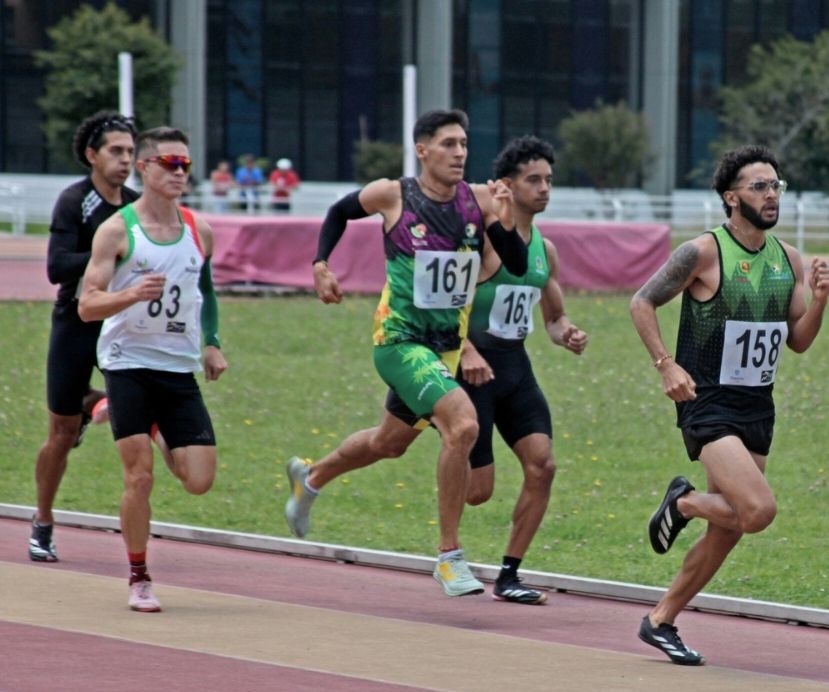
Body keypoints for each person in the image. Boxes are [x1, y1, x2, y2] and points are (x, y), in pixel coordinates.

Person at [283, 109, 530, 598]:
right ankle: (449, 557)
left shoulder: (478, 201)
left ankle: (310, 479)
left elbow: (517, 267)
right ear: (422, 150)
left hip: (445, 349)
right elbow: (337, 212)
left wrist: (504, 219)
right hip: (398, 342)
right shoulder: (392, 194)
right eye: (448, 144)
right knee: (463, 425)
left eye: (463, 144)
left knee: (388, 443)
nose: (460, 153)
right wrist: (320, 265)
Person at [630, 145, 829, 665]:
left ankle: (661, 620)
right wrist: (665, 365)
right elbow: (642, 301)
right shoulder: (703, 253)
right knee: (757, 510)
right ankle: (682, 502)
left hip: (757, 406)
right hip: (708, 402)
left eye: (776, 187)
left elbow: (799, 341)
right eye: (760, 187)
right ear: (730, 197)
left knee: (730, 530)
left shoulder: (787, 259)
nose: (772, 196)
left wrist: (821, 300)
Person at [79, 126, 228, 612]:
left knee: (199, 479)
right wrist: (130, 294)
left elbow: (205, 294)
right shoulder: (118, 230)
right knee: (139, 477)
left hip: (177, 368)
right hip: (127, 363)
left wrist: (212, 344)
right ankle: (139, 576)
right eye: (170, 163)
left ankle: (158, 428)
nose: (181, 172)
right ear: (144, 168)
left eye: (186, 163)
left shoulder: (198, 229)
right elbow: (87, 305)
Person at [458, 136, 587, 605]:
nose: (544, 188)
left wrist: (567, 333)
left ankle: (509, 574)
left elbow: (552, 318)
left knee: (543, 464)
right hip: (471, 370)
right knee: (477, 493)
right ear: (506, 187)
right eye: (534, 179)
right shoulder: (483, 243)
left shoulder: (545, 252)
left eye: (549, 180)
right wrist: (466, 350)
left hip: (515, 367)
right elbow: (448, 308)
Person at [29, 111, 139, 563]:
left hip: (123, 324)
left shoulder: (137, 206)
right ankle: (42, 521)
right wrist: (107, 255)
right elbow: (57, 267)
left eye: (131, 152)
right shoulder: (75, 201)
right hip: (76, 322)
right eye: (116, 151)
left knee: (139, 419)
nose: (126, 160)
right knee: (61, 432)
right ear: (92, 155)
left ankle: (97, 401)